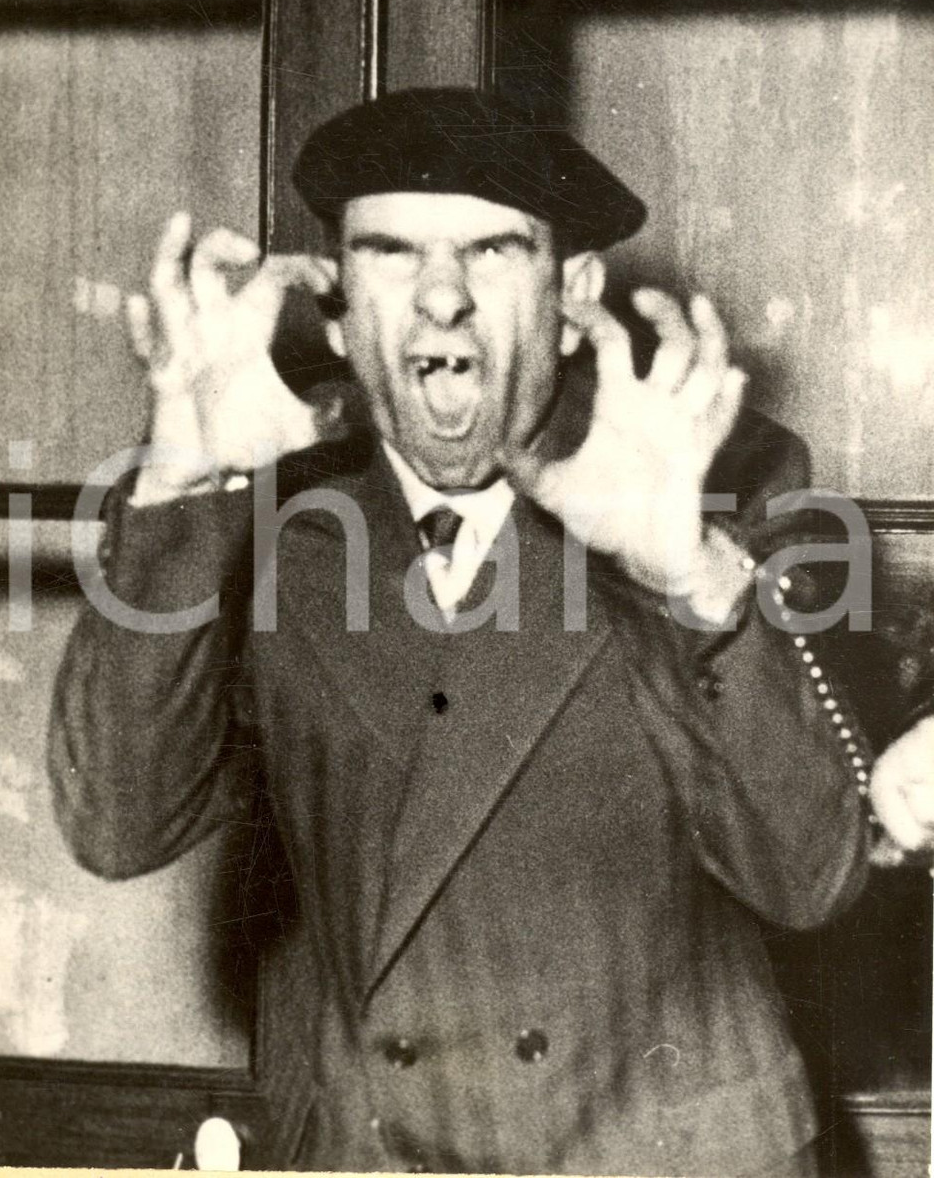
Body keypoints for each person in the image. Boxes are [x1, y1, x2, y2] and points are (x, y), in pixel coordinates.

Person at [49, 88, 875, 1176]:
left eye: (491, 250)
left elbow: (810, 875)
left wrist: (685, 574)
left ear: (573, 291)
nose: (440, 298)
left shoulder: (719, 473)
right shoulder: (257, 505)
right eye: (392, 254)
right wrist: (182, 482)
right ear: (340, 310)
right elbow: (118, 824)